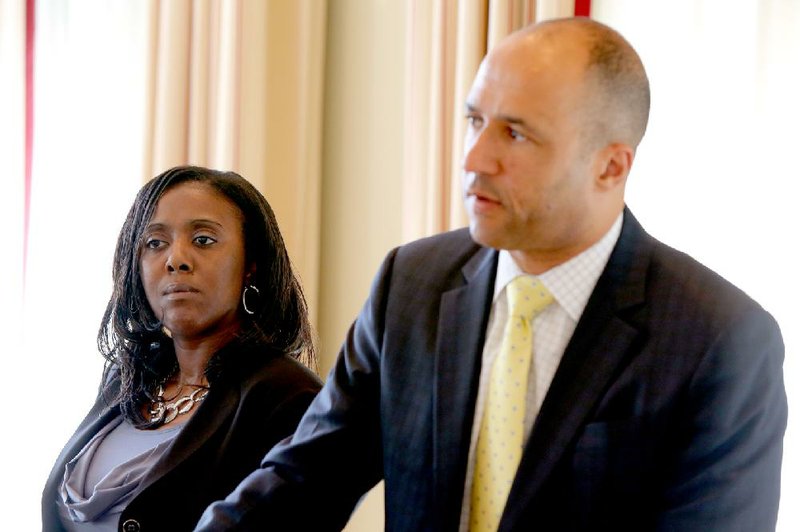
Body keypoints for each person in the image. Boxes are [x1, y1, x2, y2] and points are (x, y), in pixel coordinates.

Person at [196, 17, 787, 532]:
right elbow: (304, 479)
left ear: (610, 165)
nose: (475, 159)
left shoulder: (719, 340)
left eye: (516, 133)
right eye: (474, 120)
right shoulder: (413, 284)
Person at [42, 166, 322, 531]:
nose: (176, 259)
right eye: (155, 243)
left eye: (203, 239)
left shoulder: (288, 397)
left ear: (251, 266)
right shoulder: (123, 381)